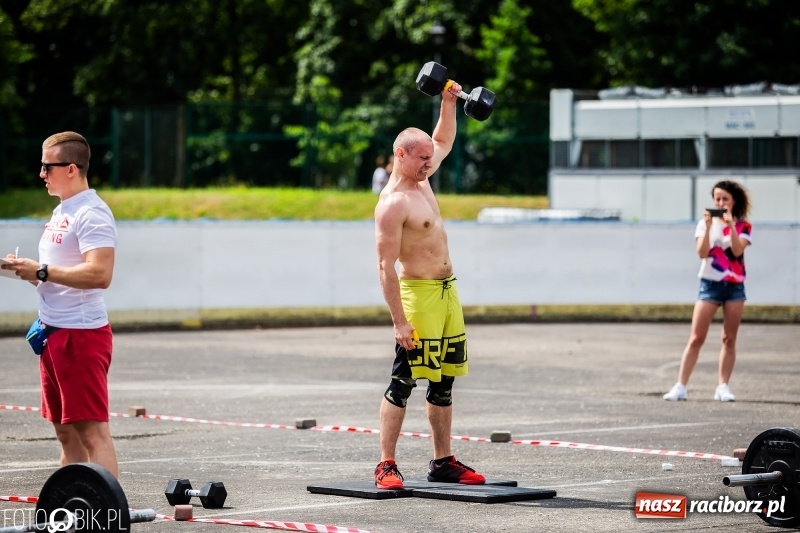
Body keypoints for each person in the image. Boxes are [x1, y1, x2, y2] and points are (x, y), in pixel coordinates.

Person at [372, 80, 485, 490]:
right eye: (421, 159)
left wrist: (448, 102)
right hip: (416, 297)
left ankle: (443, 461)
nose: (429, 163)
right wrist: (399, 322)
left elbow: (442, 139)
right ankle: (386, 463)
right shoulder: (392, 204)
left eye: (428, 159)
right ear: (400, 155)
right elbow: (385, 267)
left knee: (444, 380)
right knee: (403, 380)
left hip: (447, 292)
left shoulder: (422, 177)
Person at [1, 131, 120, 476]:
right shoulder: (62, 210)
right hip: (53, 332)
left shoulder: (92, 212)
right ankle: (71, 504)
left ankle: (105, 515)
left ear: (70, 169)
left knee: (91, 431)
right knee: (66, 431)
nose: (40, 173)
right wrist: (30, 272)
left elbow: (100, 274)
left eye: (46, 166)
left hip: (79, 335)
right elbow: (59, 271)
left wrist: (41, 270)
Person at [663, 180, 752, 403]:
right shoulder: (705, 225)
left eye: (725, 199)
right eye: (717, 199)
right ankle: (681, 386)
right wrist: (710, 225)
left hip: (734, 285)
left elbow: (737, 249)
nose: (721, 203)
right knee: (696, 338)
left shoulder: (743, 226)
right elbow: (702, 253)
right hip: (709, 284)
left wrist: (730, 225)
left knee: (729, 339)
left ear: (734, 201)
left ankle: (723, 386)